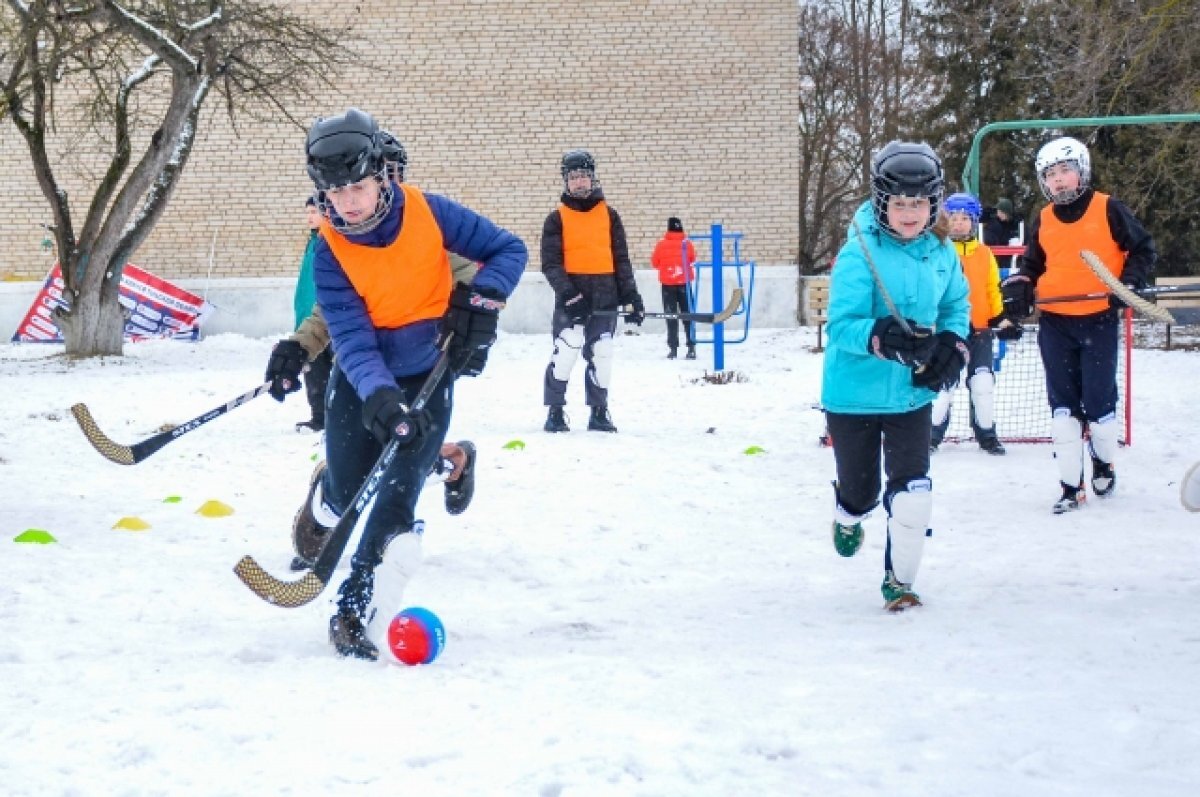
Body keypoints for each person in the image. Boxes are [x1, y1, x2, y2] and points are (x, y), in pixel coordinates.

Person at [298, 108, 526, 660]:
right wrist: (377, 392)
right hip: (362, 381)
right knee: (348, 489)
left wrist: (482, 302)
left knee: (398, 494)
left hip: (429, 370)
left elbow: (507, 249)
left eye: (358, 186)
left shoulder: (428, 211)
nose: (348, 201)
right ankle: (324, 490)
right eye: (335, 192)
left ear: (380, 175)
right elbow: (349, 335)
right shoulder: (330, 248)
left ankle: (355, 605)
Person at [821, 141, 970, 611]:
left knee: (913, 493)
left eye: (919, 203)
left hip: (912, 393)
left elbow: (956, 306)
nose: (910, 213)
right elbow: (841, 326)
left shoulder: (942, 252)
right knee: (863, 494)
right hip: (854, 397)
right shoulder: (857, 253)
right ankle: (848, 513)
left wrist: (953, 344)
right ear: (882, 201)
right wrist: (880, 337)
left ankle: (899, 582)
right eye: (899, 203)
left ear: (934, 203)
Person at [1000, 136, 1155, 514]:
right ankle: (1071, 486)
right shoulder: (1045, 218)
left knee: (1100, 407)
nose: (1059, 180)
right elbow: (1033, 265)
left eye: (1065, 171)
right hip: (1056, 323)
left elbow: (1143, 249)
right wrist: (1021, 285)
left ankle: (1104, 460)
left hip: (1099, 320)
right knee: (1063, 411)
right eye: (1050, 175)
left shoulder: (1108, 208)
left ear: (1081, 171)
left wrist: (1130, 283)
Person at [541, 149, 644, 433]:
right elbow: (550, 264)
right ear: (565, 181)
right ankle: (556, 411)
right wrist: (571, 297)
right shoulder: (556, 219)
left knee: (603, 351)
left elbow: (621, 260)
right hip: (571, 300)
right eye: (573, 177)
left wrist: (632, 298)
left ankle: (599, 412)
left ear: (593, 178)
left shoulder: (610, 216)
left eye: (584, 176)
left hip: (605, 298)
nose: (579, 182)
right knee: (567, 349)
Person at [930, 192, 1024, 455]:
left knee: (982, 383)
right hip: (947, 331)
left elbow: (992, 290)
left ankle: (987, 434)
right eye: (954, 218)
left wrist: (1001, 318)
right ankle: (932, 434)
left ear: (973, 222)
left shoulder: (984, 254)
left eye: (964, 219)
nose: (959, 223)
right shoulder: (937, 252)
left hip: (980, 330)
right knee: (943, 386)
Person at [282, 196, 334, 432]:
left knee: (336, 373)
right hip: (307, 319)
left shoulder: (332, 243)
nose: (309, 217)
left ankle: (339, 419)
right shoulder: (313, 242)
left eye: (314, 212)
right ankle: (319, 417)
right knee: (314, 372)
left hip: (328, 319)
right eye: (308, 212)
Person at [650, 216, 697, 359]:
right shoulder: (687, 243)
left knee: (671, 315)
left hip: (668, 285)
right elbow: (693, 258)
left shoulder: (661, 244)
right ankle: (691, 348)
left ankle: (673, 349)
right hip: (684, 283)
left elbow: (655, 263)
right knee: (688, 315)